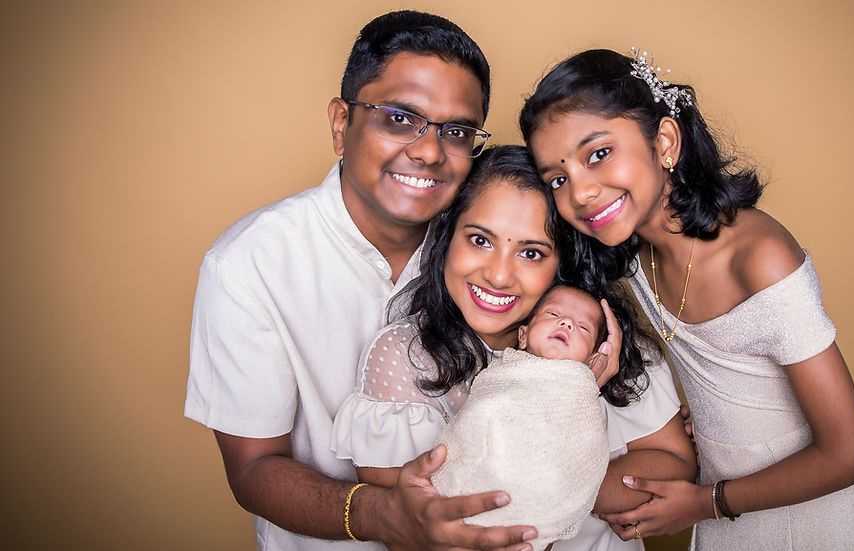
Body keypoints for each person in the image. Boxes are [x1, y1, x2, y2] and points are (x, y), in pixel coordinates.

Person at [184, 11, 539, 551]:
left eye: (457, 131)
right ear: (340, 123)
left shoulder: (497, 249)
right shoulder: (248, 264)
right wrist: (384, 515)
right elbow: (254, 467)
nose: (428, 150)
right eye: (400, 118)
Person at [519, 48, 854, 549]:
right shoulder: (633, 255)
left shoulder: (760, 258)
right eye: (558, 179)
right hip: (727, 507)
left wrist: (706, 502)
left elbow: (850, 454)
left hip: (808, 516)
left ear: (665, 142)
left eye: (599, 153)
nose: (580, 192)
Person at [331, 145, 697, 551]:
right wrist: (567, 465)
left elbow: (675, 467)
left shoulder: (604, 342)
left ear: (562, 262)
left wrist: (570, 404)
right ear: (447, 238)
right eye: (479, 240)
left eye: (530, 252)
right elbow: (412, 533)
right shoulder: (405, 358)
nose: (499, 274)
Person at [432, 285, 613, 551]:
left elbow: (583, 452)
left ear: (591, 359)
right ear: (523, 335)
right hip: (473, 481)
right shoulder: (502, 375)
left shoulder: (580, 398)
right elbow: (480, 415)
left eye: (583, 328)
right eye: (553, 314)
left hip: (535, 497)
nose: (567, 323)